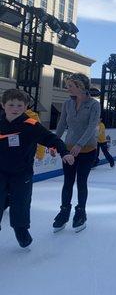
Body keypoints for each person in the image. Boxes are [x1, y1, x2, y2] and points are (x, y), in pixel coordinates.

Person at [0, 89, 73, 248]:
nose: (15, 108)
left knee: (21, 202)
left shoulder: (31, 125)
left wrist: (64, 152)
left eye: (20, 105)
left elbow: (51, 138)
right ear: (3, 105)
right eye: (11, 104)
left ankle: (21, 229)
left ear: (26, 106)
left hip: (21, 173)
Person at [53, 73, 100, 233]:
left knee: (81, 182)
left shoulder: (94, 105)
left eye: (70, 86)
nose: (68, 89)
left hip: (87, 150)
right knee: (67, 182)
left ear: (80, 86)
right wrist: (54, 142)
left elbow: (92, 126)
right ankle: (64, 211)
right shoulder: (67, 103)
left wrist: (80, 145)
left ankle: (81, 212)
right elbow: (61, 124)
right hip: (68, 149)